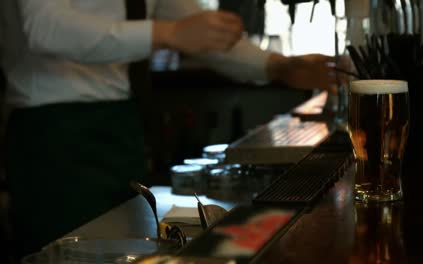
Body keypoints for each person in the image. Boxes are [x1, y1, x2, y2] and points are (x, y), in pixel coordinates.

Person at [0, 0, 337, 258]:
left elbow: (199, 31)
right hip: (52, 133)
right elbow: (42, 27)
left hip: (121, 125)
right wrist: (168, 33)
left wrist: (277, 66)